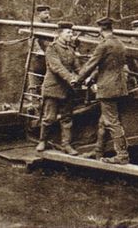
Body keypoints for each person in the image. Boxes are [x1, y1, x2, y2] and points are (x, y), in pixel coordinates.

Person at [75, 16, 130, 164]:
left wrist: (78, 80)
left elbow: (91, 65)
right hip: (119, 86)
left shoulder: (103, 46)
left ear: (100, 30)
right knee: (103, 120)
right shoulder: (120, 44)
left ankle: (122, 155)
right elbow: (108, 66)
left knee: (112, 122)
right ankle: (99, 150)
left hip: (107, 88)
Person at [36, 21, 80, 155]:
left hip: (67, 90)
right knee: (49, 117)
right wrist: (71, 78)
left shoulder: (71, 50)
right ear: (59, 34)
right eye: (68, 33)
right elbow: (56, 67)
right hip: (53, 88)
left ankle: (66, 145)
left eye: (72, 33)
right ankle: (42, 141)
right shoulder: (52, 48)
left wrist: (84, 77)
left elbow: (77, 67)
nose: (71, 35)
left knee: (67, 119)